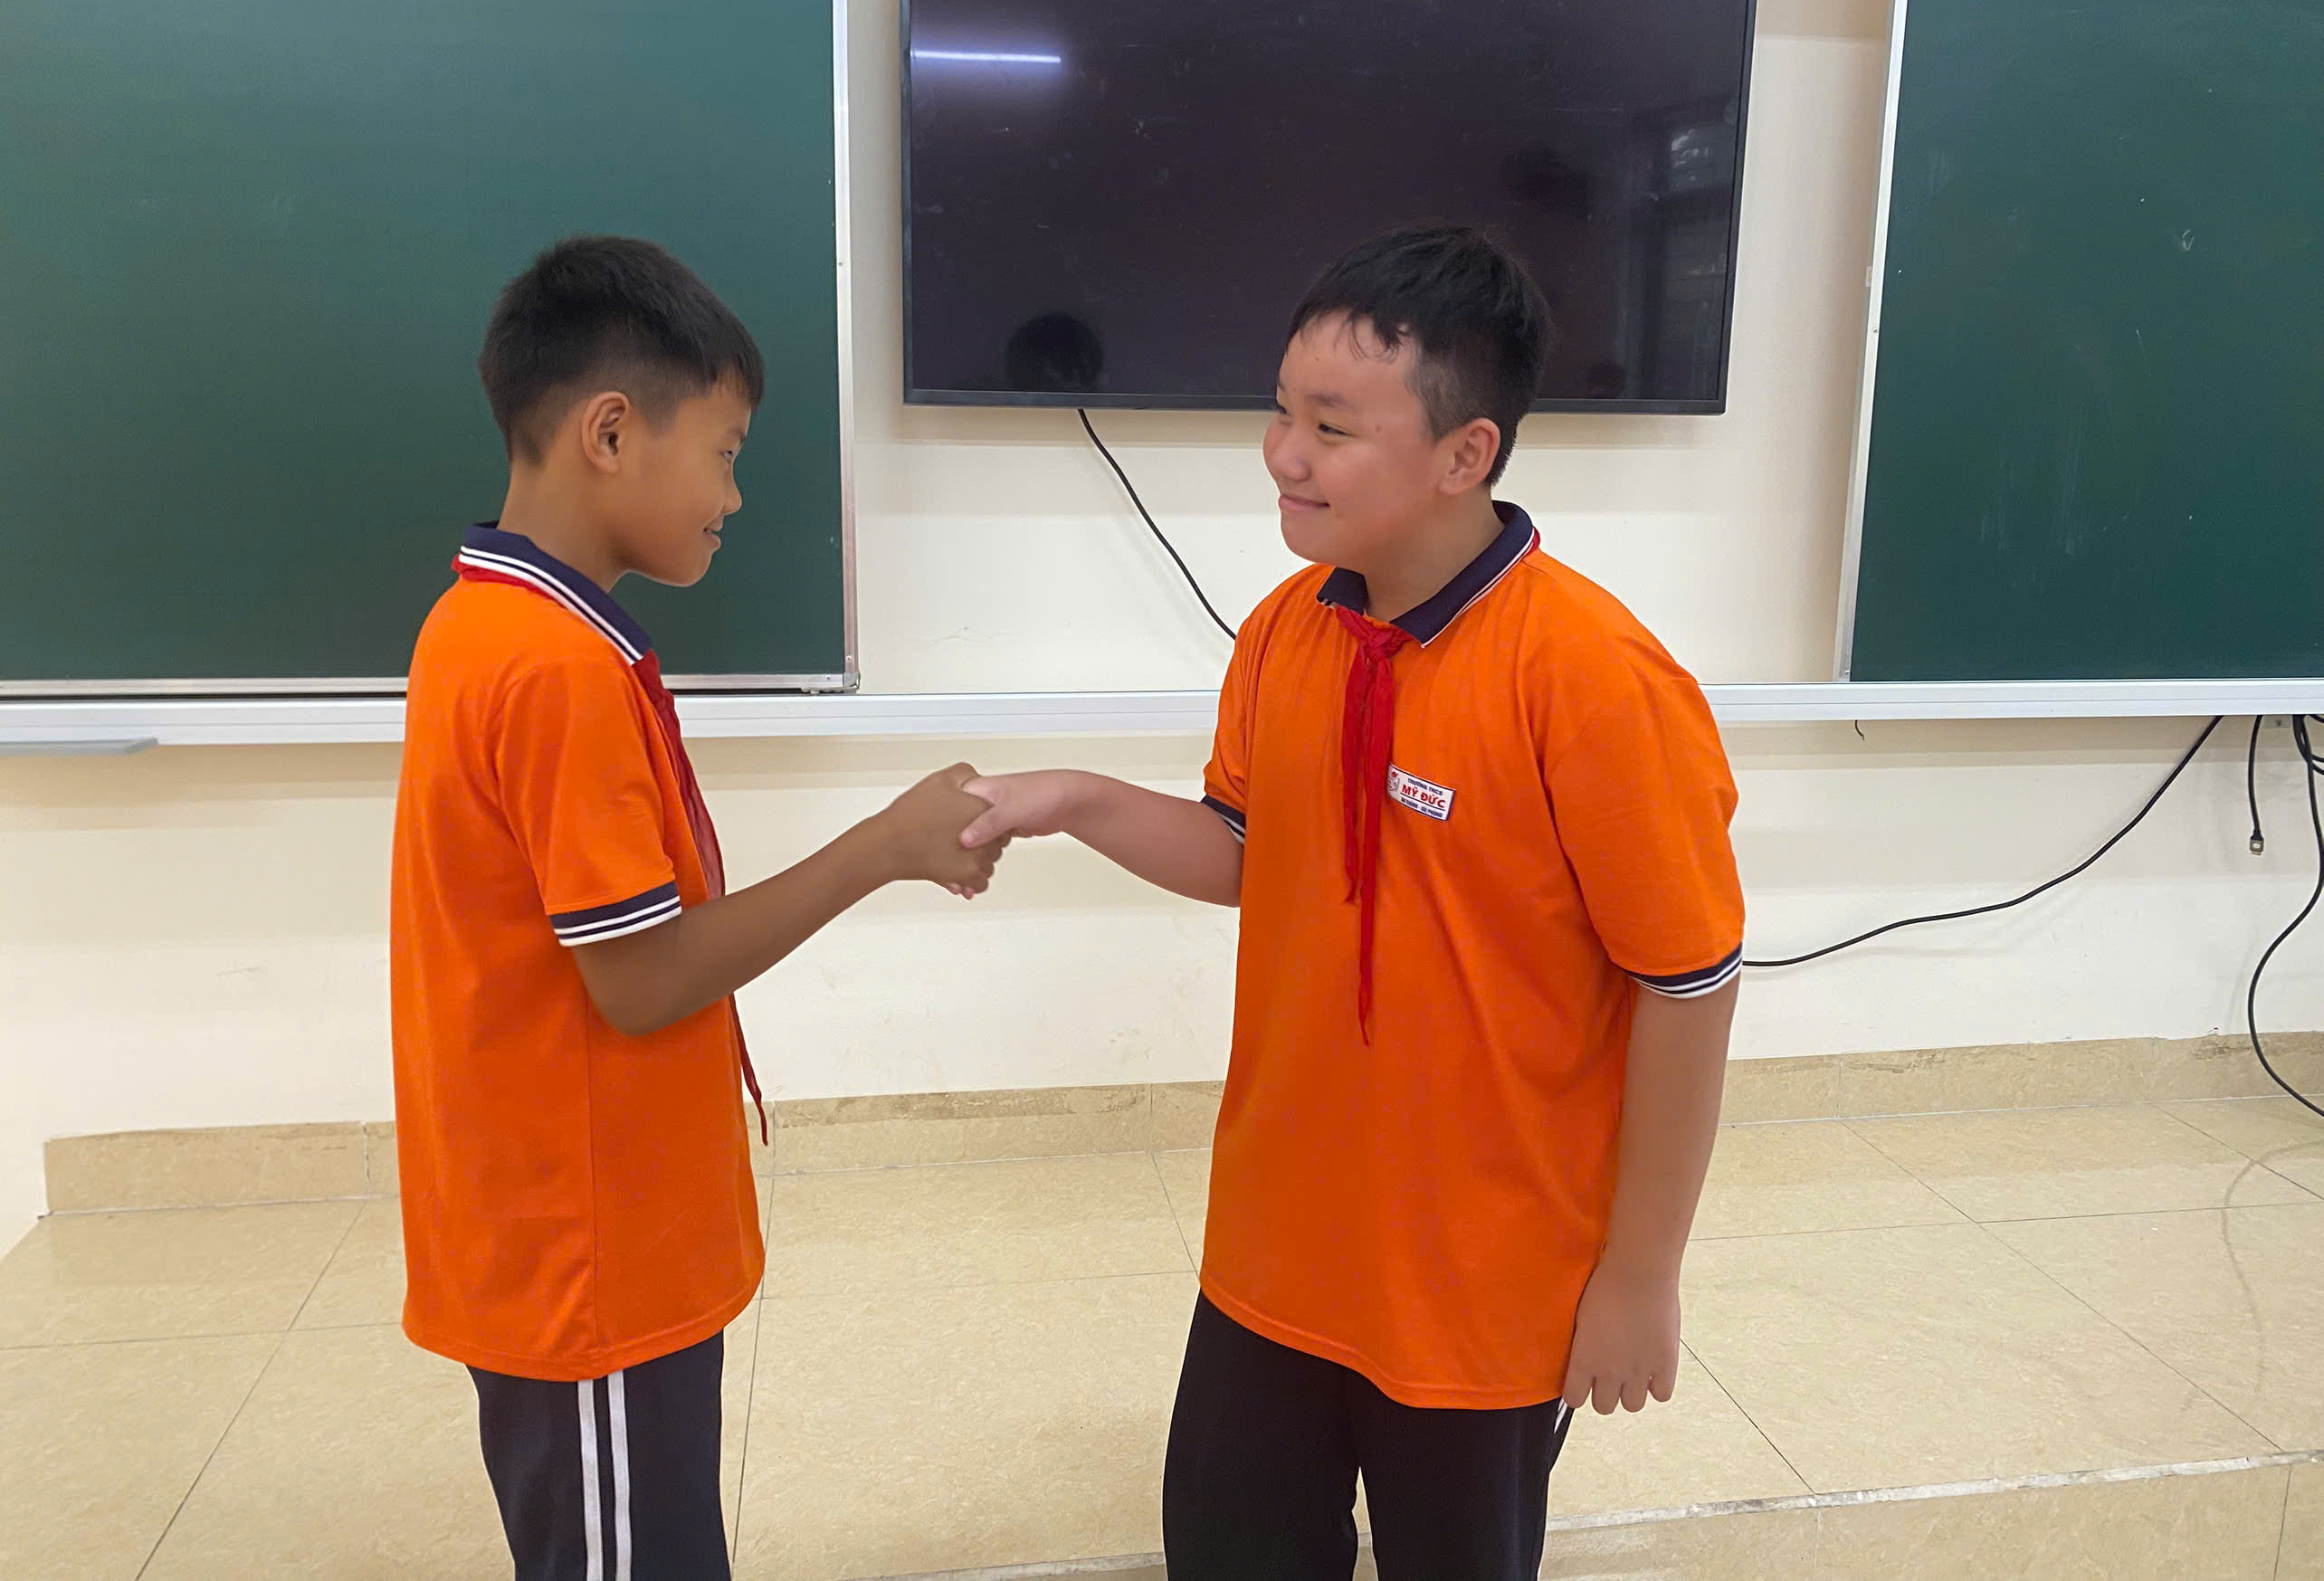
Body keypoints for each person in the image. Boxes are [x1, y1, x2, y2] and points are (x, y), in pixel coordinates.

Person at [957, 225, 1744, 1580]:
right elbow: (1246, 851)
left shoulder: (1592, 677)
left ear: (1464, 454)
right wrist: (1075, 799)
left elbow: (1689, 987)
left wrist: (1639, 1274)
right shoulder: (1286, 630)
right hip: (1276, 1246)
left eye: (1332, 426)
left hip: (1484, 1279)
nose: (1284, 453)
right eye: (1281, 411)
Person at [389, 236, 998, 1580]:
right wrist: (884, 846)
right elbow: (645, 976)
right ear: (611, 433)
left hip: (586, 1234)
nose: (732, 495)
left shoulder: (492, 625)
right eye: (723, 454)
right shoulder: (551, 667)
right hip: (586, 1262)